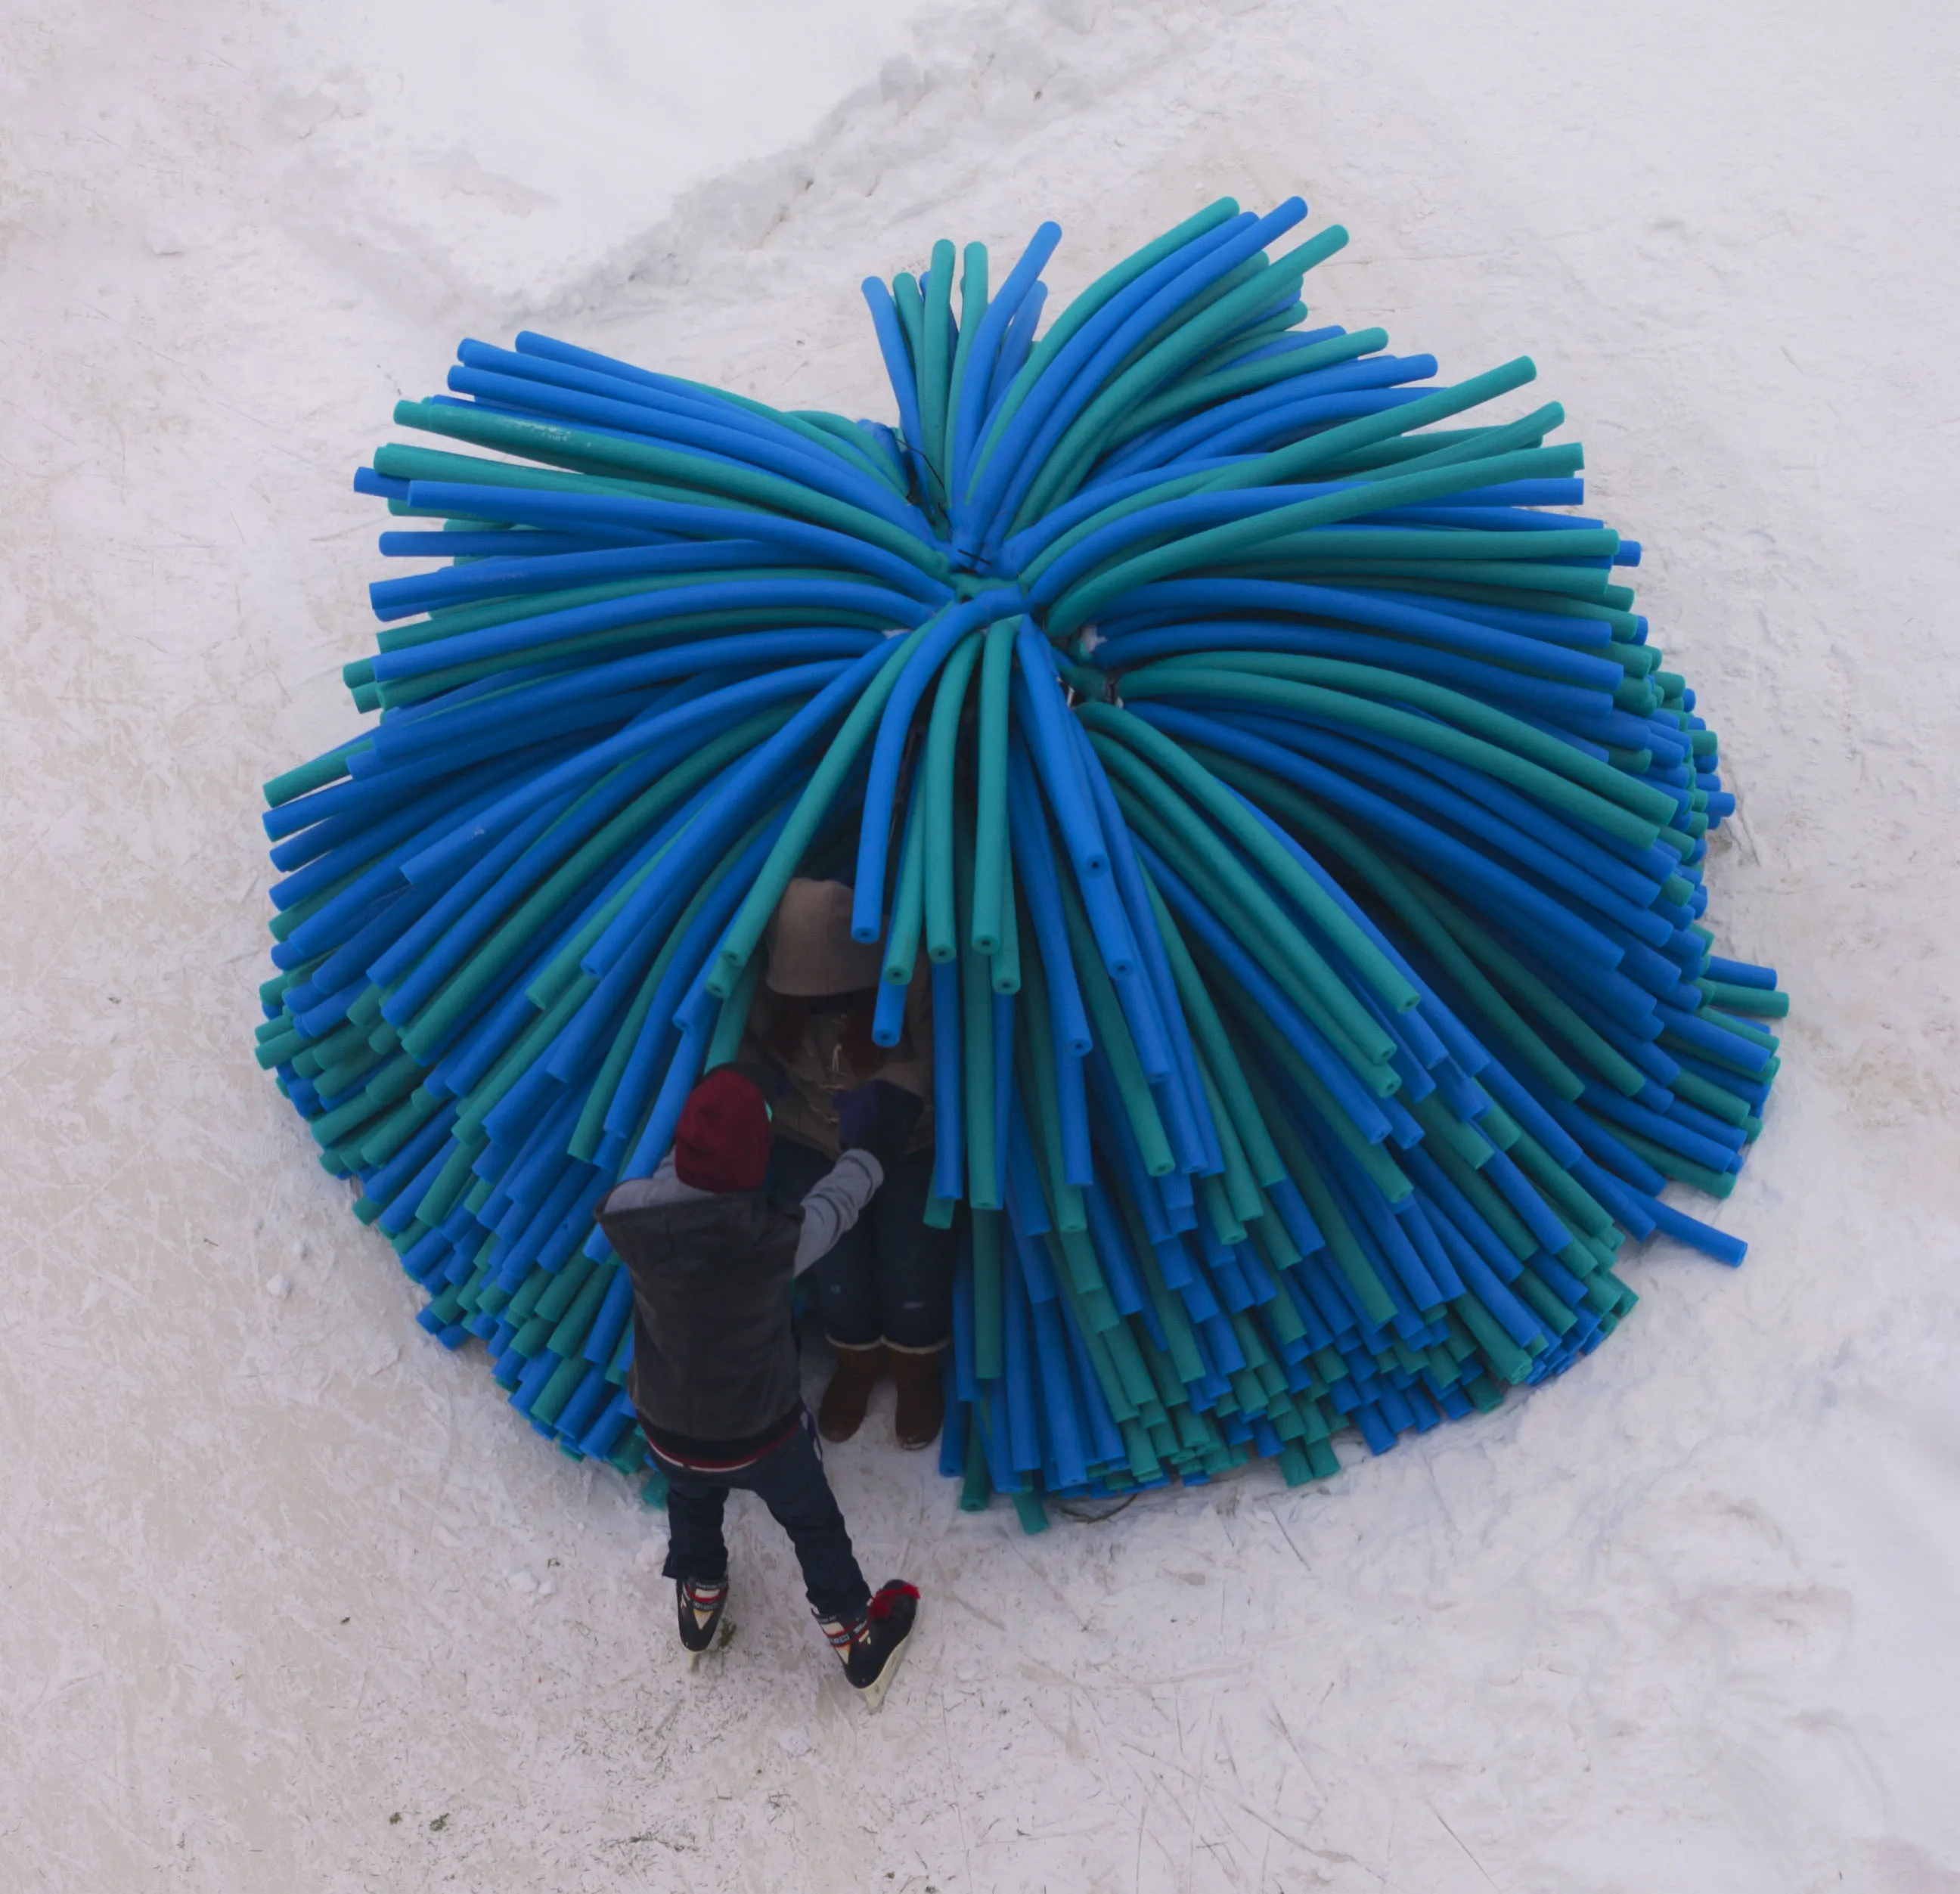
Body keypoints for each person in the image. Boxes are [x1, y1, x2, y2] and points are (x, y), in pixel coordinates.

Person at [595, 1065, 923, 1706]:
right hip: (760, 1436)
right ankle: (859, 1640)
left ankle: (700, 1595)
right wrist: (874, 1148)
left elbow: (674, 1179)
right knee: (812, 1521)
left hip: (664, 1426)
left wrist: (723, 1109)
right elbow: (837, 1202)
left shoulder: (629, 1215)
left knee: (690, 1501)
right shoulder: (775, 1243)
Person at [743, 876, 955, 1450]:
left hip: (903, 1143)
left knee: (913, 1261)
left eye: (837, 1001)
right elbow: (747, 1052)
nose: (824, 1013)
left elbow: (949, 1054)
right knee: (834, 1263)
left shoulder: (912, 974)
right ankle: (856, 1360)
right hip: (809, 1141)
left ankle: (916, 1370)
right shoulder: (765, 989)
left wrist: (893, 1095)